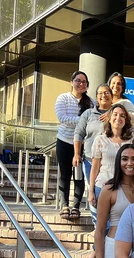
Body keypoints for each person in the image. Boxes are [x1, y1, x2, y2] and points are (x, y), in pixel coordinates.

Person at [55, 70, 94, 219]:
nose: (81, 84)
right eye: (78, 80)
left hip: (82, 144)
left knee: (79, 176)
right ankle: (64, 205)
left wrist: (83, 121)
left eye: (84, 82)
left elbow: (93, 120)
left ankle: (76, 206)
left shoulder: (91, 102)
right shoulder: (63, 98)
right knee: (64, 174)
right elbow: (62, 118)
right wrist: (82, 120)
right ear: (72, 82)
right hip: (64, 141)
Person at [74, 84, 114, 219]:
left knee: (108, 189)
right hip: (90, 159)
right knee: (92, 189)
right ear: (96, 97)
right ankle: (96, 222)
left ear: (112, 95)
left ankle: (108, 221)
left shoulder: (117, 113)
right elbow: (79, 133)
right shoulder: (88, 114)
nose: (104, 95)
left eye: (107, 92)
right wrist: (77, 154)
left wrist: (111, 113)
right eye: (101, 93)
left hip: (109, 161)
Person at [89, 104, 133, 208]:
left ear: (126, 120)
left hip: (124, 189)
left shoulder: (131, 141)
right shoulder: (100, 140)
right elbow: (95, 167)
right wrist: (91, 191)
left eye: (122, 116)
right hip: (103, 186)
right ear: (109, 118)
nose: (118, 118)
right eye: (115, 114)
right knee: (103, 224)